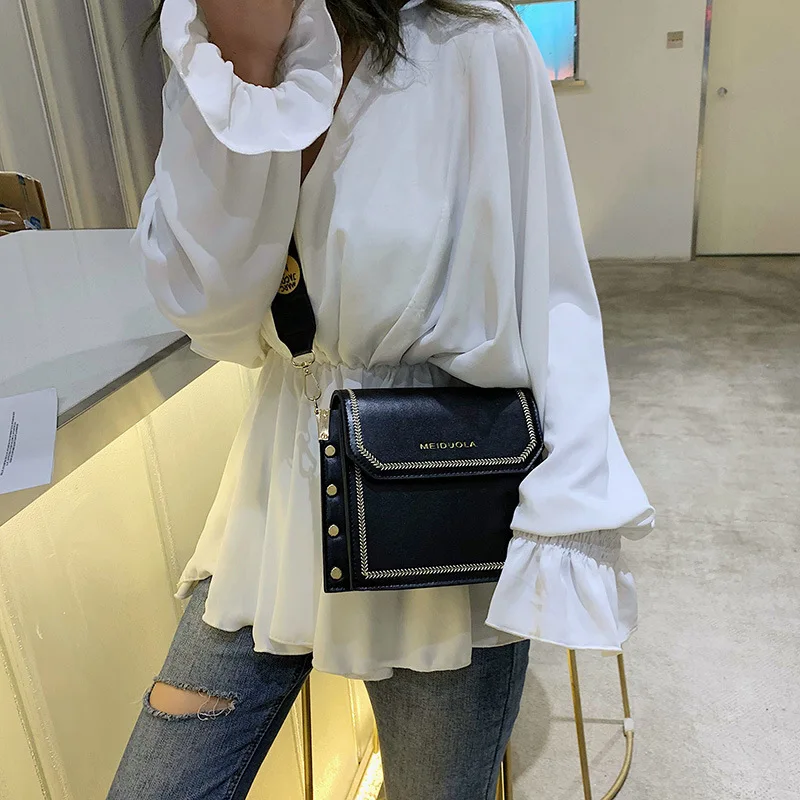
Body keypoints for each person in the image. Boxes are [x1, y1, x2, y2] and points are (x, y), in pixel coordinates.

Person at [108, 0, 654, 797]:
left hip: (438, 509)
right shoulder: (211, 43)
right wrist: (246, 68)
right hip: (277, 498)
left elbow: (554, 293)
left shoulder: (472, 40)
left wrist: (570, 509)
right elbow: (211, 312)